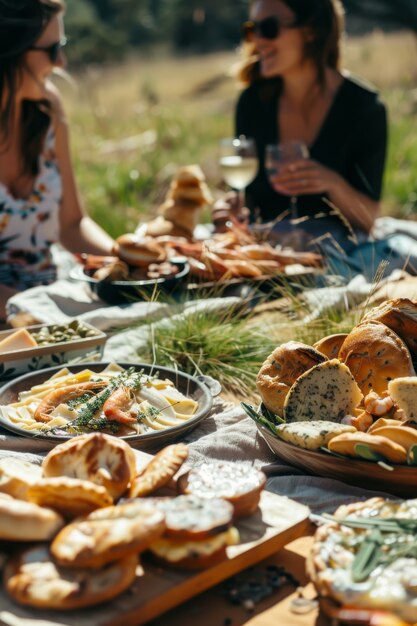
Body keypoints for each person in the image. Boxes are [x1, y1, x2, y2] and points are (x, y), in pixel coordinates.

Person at [215, 0, 388, 255]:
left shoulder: (364, 108)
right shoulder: (253, 102)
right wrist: (231, 207)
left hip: (336, 253)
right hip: (268, 254)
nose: (258, 41)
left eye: (269, 27)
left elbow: (368, 220)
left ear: (311, 30)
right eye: (253, 29)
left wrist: (331, 183)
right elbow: (247, 197)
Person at [0, 0, 115, 320]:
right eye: (52, 50)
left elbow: (72, 224)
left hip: (52, 301)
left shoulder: (47, 107)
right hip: (26, 316)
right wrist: (27, 311)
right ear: (9, 50)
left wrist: (123, 258)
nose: (62, 62)